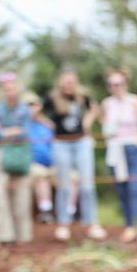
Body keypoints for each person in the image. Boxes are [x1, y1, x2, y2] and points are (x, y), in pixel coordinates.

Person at [44, 69, 105, 242]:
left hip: (82, 142)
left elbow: (94, 109)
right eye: (66, 82)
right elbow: (37, 112)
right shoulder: (52, 98)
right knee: (64, 185)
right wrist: (49, 125)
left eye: (71, 82)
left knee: (87, 185)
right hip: (61, 143)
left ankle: (92, 222)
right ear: (60, 83)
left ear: (75, 82)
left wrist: (87, 122)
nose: (68, 85)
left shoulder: (82, 97)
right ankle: (63, 224)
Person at [101, 68, 137, 245]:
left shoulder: (135, 101)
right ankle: (129, 226)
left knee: (136, 188)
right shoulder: (107, 104)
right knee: (122, 190)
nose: (116, 87)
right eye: (112, 85)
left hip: (133, 147)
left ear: (126, 84)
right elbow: (105, 126)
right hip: (115, 149)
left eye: (119, 84)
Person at [0, 73, 32, 249]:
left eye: (13, 88)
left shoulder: (24, 109)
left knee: (22, 195)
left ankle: (22, 235)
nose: (10, 91)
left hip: (20, 154)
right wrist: (11, 131)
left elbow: (25, 132)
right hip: (0, 154)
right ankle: (1, 235)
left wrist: (4, 131)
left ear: (17, 89)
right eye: (7, 88)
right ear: (3, 91)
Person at [25, 94, 55, 223]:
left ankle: (72, 214)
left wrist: (41, 118)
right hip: (33, 164)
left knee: (73, 177)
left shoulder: (46, 124)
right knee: (41, 176)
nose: (31, 108)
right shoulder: (23, 125)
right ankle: (45, 211)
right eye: (28, 105)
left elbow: (57, 132)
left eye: (34, 104)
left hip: (54, 163)